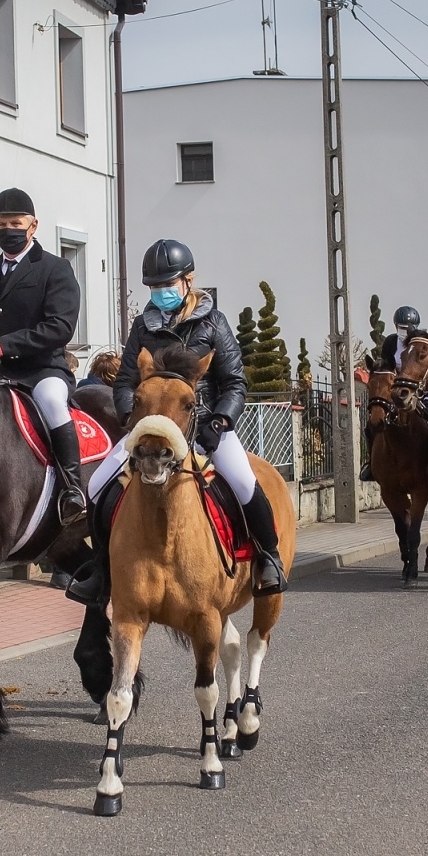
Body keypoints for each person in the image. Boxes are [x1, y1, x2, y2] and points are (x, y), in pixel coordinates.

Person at [67, 238, 287, 604]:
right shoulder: (143, 325)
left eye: (167, 285)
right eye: (154, 288)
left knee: (245, 483)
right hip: (150, 429)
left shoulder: (214, 323)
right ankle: (101, 572)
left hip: (205, 428)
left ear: (188, 281)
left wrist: (219, 422)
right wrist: (129, 415)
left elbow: (234, 383)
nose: (161, 293)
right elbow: (124, 381)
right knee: (97, 486)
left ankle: (268, 558)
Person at [0, 187, 87, 525]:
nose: (7, 230)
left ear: (32, 226)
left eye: (15, 223)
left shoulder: (55, 268)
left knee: (51, 401)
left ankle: (72, 489)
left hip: (43, 370)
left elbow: (60, 327)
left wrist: (6, 344)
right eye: (1, 224)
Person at [360, 305, 424, 481]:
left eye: (408, 328)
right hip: (395, 388)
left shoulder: (419, 344)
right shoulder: (390, 342)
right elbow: (387, 365)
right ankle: (372, 464)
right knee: (371, 426)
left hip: (418, 388)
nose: (404, 332)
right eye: (401, 328)